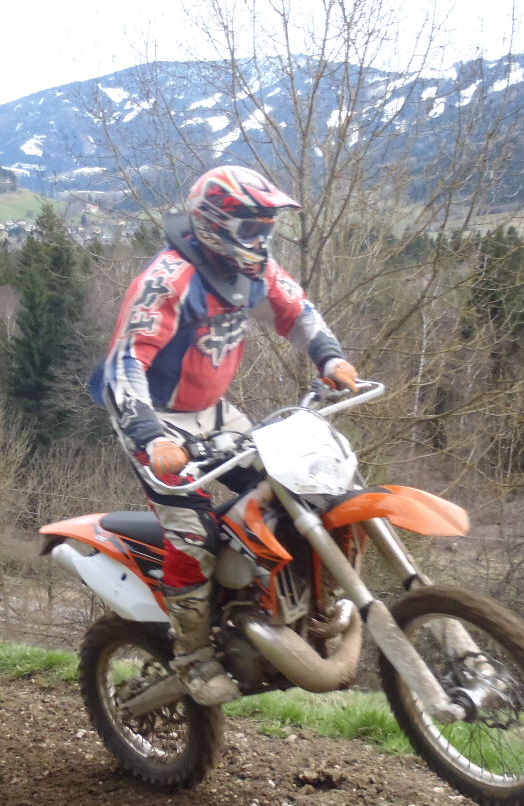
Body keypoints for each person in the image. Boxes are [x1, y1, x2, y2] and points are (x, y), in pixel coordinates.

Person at [91, 165, 358, 705]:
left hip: (213, 410)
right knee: (192, 533)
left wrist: (330, 357)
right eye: (251, 227)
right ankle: (192, 655)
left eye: (266, 228)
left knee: (306, 486)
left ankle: (284, 602)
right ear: (215, 225)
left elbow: (297, 311)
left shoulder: (252, 270)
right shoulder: (169, 280)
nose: (261, 239)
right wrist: (150, 437)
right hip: (152, 416)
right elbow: (126, 363)